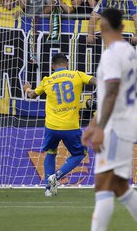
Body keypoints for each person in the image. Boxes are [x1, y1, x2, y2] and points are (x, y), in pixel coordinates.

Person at [82, 8, 137, 231]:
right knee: (119, 186)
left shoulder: (111, 55)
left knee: (102, 185)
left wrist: (100, 127)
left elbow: (113, 91)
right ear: (123, 27)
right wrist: (93, 124)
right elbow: (110, 94)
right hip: (125, 122)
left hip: (115, 126)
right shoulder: (128, 50)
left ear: (101, 27)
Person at [24, 53, 97, 196]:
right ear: (67, 64)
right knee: (80, 153)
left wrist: (27, 88)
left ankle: (48, 189)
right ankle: (56, 177)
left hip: (51, 127)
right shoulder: (77, 75)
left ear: (52, 66)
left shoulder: (47, 80)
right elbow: (96, 81)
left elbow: (32, 95)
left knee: (51, 152)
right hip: (70, 126)